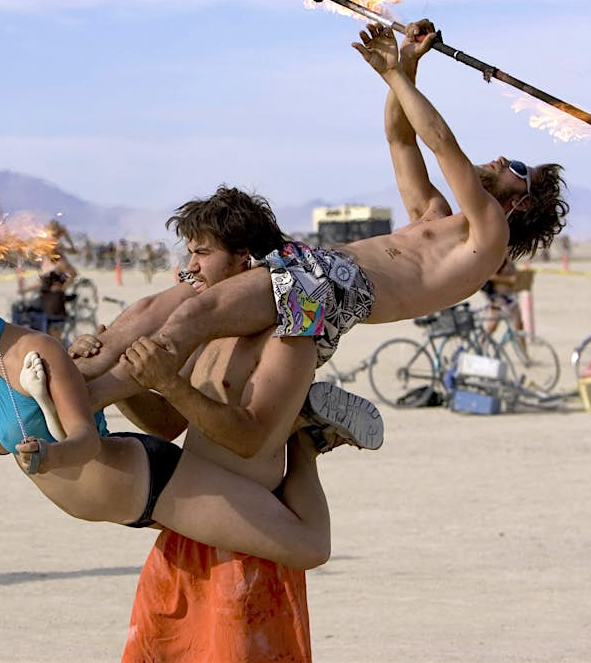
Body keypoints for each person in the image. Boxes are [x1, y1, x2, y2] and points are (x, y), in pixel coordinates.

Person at [68, 19, 569, 413]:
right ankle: (82, 366)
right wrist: (408, 67)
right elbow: (401, 137)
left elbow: (442, 144)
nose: (504, 160)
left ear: (519, 203)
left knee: (199, 315)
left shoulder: (489, 234)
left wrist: (394, 73)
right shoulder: (433, 216)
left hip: (333, 288)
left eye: (517, 170)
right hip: (308, 264)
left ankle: (85, 402)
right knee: (165, 302)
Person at [0, 246, 370, 571]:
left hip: (155, 485)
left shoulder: (35, 352)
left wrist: (49, 458)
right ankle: (298, 430)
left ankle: (304, 439)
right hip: (136, 504)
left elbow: (87, 440)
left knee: (309, 547)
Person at [78, 188, 379, 663]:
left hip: (246, 547)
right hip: (187, 529)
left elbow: (249, 436)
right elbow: (165, 424)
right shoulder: (207, 331)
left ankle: (306, 437)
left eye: (202, 253)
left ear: (245, 258)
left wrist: (170, 384)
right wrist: (129, 376)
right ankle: (308, 431)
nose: (189, 267)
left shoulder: (291, 333)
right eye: (189, 252)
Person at [18, 245, 77, 343]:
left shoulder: (60, 262)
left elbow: (73, 274)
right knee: (45, 332)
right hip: (45, 301)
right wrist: (26, 290)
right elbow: (41, 283)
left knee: (55, 335)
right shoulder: (45, 262)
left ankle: (60, 354)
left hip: (55, 303)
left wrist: (62, 288)